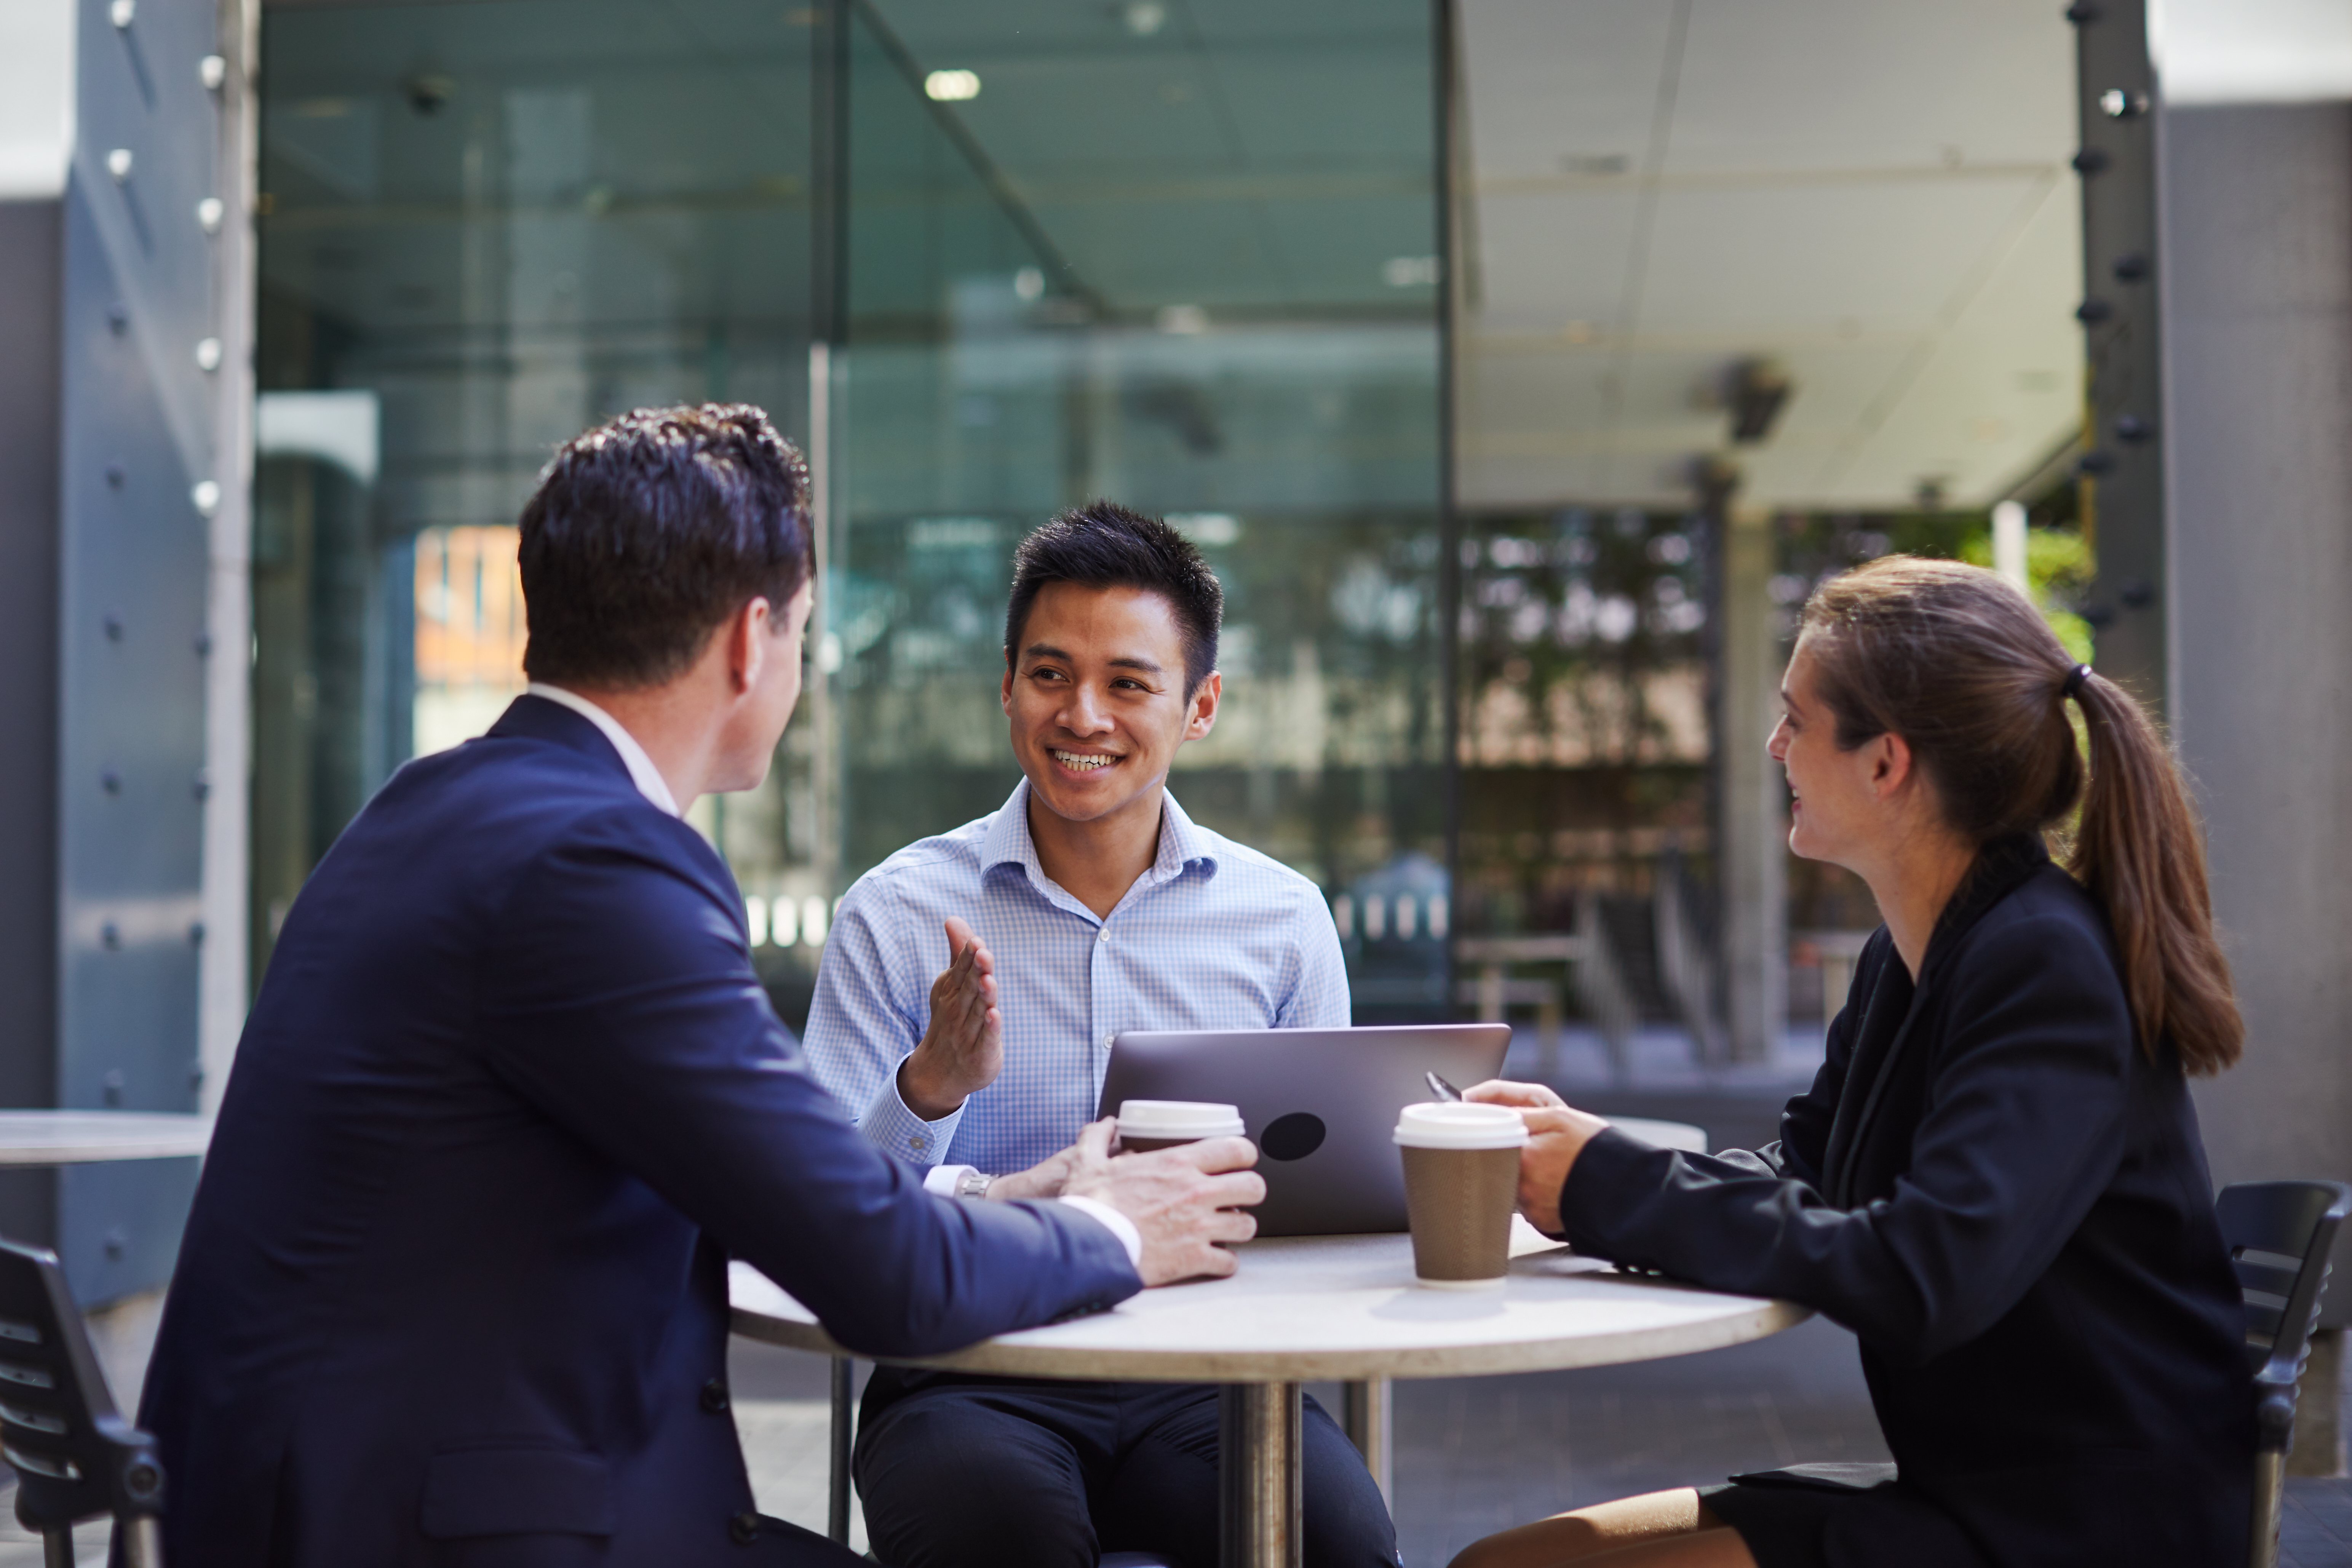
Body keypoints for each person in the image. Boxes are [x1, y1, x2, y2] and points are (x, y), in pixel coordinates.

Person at [137, 407, 1266, 1568]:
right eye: (807, 638)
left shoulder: (433, 807)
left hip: (319, 1492)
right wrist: (1111, 1226)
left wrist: (1028, 1187)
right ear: (750, 640)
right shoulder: (598, 869)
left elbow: (787, 1194)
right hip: (424, 1526)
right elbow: (880, 1277)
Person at [1451, 556, 2253, 1568]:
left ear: (1887, 764)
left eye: (1796, 718)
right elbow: (1811, 1172)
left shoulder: (2046, 959)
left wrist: (1612, 1179)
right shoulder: (1909, 952)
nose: (1774, 745)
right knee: (1500, 1564)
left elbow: (1926, 1273)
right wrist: (1584, 1166)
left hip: (2090, 1526)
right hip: (1976, 1486)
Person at [804, 502, 1398, 1568]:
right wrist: (927, 1090)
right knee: (997, 1537)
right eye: (1049, 675)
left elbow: (1329, 1205)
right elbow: (816, 1211)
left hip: (1214, 1382)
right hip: (971, 1369)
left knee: (1341, 1545)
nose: (1083, 715)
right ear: (1006, 685)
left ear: (1200, 705)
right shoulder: (896, 914)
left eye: (1129, 683)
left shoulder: (1282, 919)